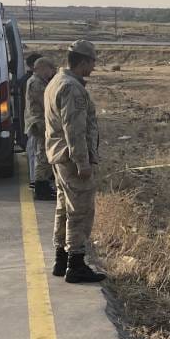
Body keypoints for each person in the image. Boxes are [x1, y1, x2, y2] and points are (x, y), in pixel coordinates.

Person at [44, 40, 105, 283]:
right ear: (83, 62)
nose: (94, 68)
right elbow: (75, 129)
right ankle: (76, 264)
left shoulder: (56, 81)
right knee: (80, 211)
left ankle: (61, 259)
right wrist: (83, 162)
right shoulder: (72, 88)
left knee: (64, 208)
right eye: (92, 62)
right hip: (71, 159)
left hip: (59, 156)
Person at [24, 57, 57, 201]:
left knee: (44, 155)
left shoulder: (39, 82)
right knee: (42, 156)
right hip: (39, 124)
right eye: (50, 69)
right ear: (43, 68)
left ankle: (43, 185)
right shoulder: (36, 83)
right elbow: (47, 103)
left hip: (42, 123)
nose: (52, 72)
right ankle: (40, 188)